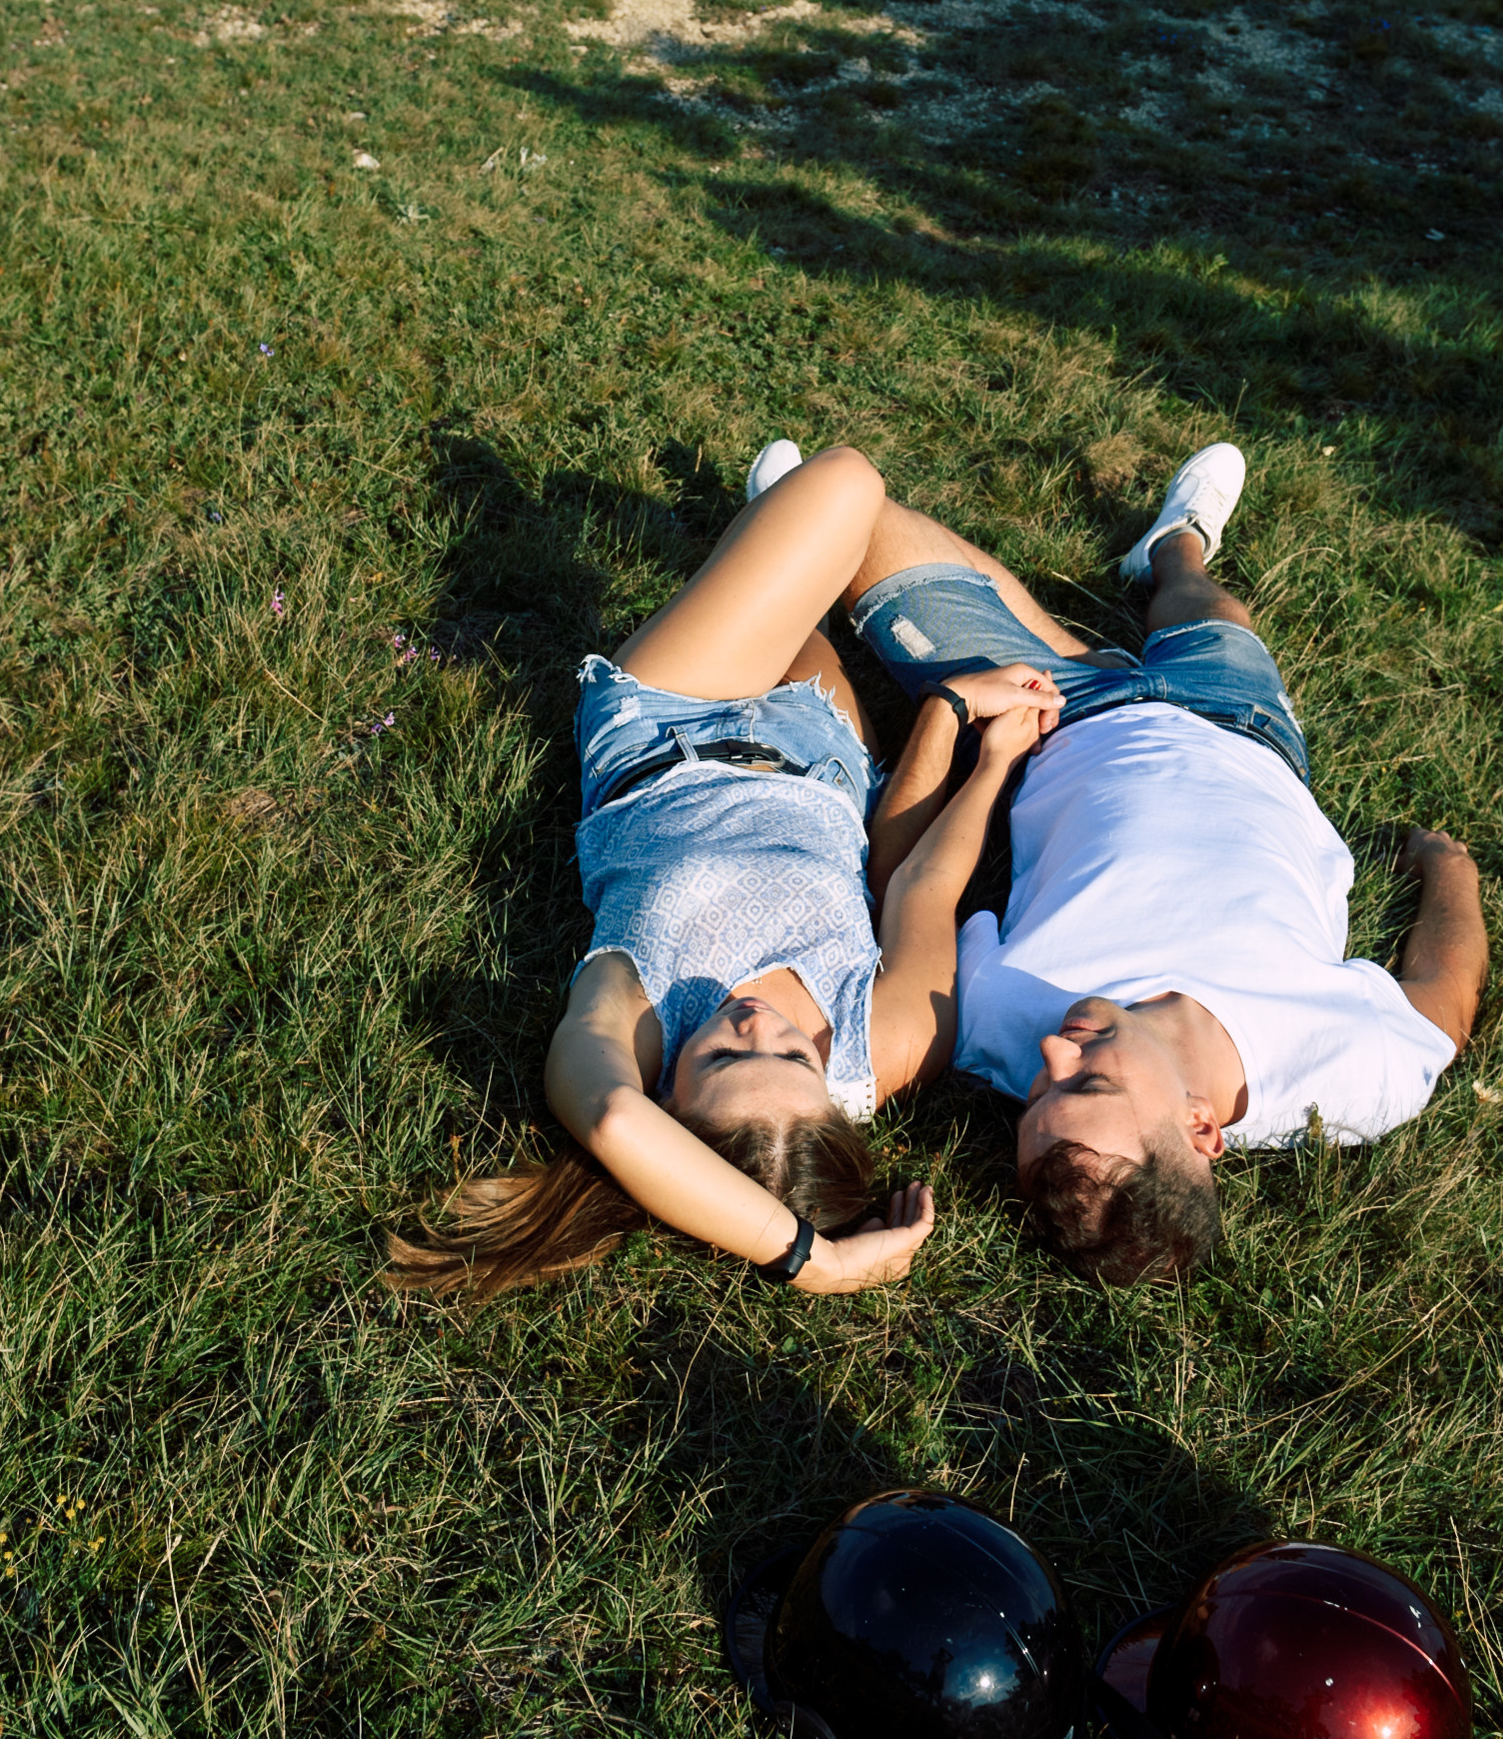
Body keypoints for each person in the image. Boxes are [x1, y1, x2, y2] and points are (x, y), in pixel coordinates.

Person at [388, 441, 1056, 1301]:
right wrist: (980, 742)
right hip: (827, 756)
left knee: (846, 485)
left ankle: (771, 521)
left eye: (726, 1058)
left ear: (671, 1097)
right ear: (832, 1090)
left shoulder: (636, 1024)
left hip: (675, 719)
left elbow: (614, 1119)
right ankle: (770, 527)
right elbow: (923, 884)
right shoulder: (882, 1047)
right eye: (792, 1055)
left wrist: (815, 1262)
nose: (758, 1024)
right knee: (811, 575)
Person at [851, 443, 1489, 1288]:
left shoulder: (997, 1025)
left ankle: (1119, 586)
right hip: (1244, 727)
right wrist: (1451, 871)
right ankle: (1174, 547)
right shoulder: (1347, 1073)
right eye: (1085, 1086)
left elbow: (905, 883)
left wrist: (965, 724)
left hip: (1055, 714)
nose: (1049, 1056)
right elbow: (1443, 1002)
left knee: (847, 526)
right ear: (1200, 1128)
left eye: (1035, 1101)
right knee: (1201, 603)